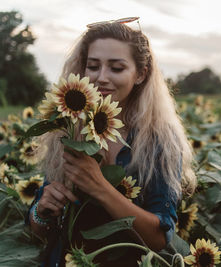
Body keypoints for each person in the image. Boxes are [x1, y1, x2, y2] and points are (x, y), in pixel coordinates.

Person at [27, 18, 196, 266]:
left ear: (140, 74)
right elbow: (37, 230)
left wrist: (99, 187)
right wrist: (42, 211)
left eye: (116, 68)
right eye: (93, 66)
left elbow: (160, 237)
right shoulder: (69, 129)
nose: (101, 78)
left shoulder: (158, 140)